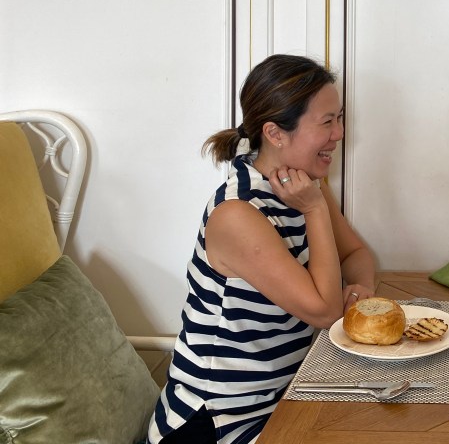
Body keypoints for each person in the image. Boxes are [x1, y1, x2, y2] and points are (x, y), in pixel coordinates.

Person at [149, 54, 377, 444]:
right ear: (275, 133)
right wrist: (316, 210)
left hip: (284, 398)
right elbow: (324, 312)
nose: (339, 134)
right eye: (327, 121)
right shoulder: (238, 213)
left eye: (339, 118)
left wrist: (361, 291)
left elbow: (356, 256)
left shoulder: (302, 185)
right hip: (219, 422)